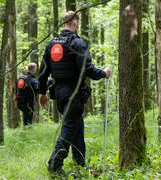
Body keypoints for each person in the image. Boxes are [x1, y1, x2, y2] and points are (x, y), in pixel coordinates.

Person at [38, 11, 112, 175]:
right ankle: (54, 165)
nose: (78, 25)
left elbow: (43, 72)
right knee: (69, 128)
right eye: (77, 22)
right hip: (74, 93)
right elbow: (88, 69)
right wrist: (104, 73)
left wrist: (41, 93)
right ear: (75, 22)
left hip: (60, 94)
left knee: (77, 125)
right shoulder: (77, 43)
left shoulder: (52, 45)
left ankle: (80, 163)